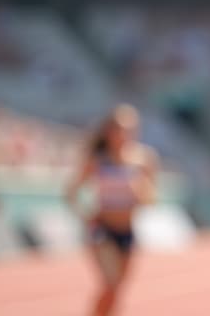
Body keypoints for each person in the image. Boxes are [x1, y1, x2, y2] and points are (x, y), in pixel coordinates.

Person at [64, 104, 159, 316]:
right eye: (118, 128)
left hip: (127, 232)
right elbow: (71, 192)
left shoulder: (144, 159)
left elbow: (152, 199)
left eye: (129, 129)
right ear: (108, 131)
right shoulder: (98, 160)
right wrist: (86, 216)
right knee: (111, 282)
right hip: (102, 230)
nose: (123, 134)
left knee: (117, 290)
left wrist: (142, 191)